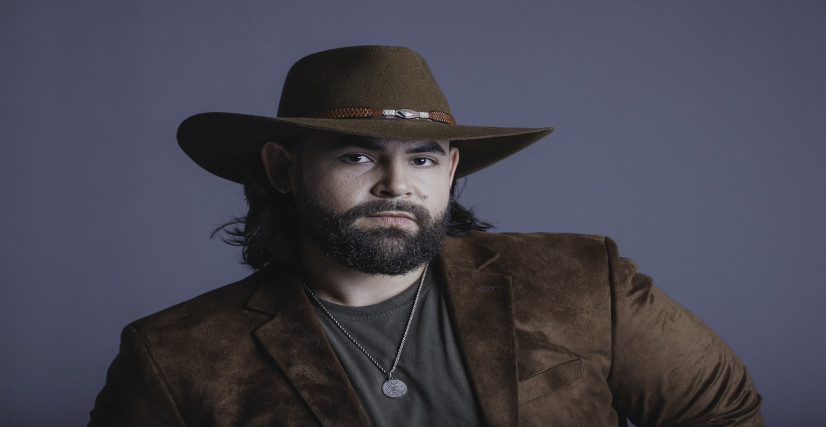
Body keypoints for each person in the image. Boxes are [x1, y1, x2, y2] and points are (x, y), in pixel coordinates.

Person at [89, 45, 762, 426]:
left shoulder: (583, 279)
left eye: (423, 158)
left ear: (452, 169)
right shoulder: (174, 356)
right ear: (283, 169)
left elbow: (723, 413)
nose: (397, 185)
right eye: (357, 155)